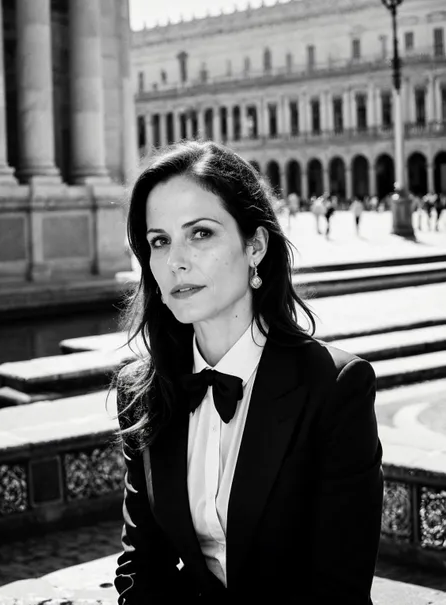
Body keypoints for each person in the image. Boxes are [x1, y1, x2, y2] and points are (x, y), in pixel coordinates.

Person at [112, 140, 384, 604]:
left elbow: (338, 589)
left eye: (200, 233)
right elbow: (142, 563)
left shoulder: (335, 388)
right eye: (159, 241)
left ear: (255, 245)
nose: (177, 260)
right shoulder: (142, 389)